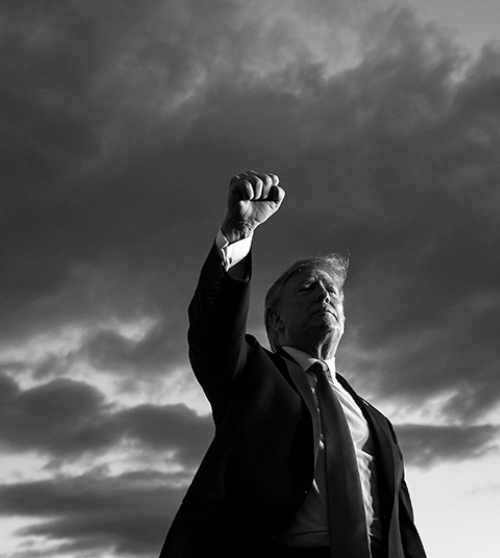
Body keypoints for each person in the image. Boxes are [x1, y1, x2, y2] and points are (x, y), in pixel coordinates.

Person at [160, 171, 426, 558]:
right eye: (307, 288)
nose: (324, 295)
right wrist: (239, 232)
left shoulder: (377, 422)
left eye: (332, 291)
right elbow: (213, 333)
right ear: (276, 321)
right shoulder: (252, 376)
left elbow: (403, 525)